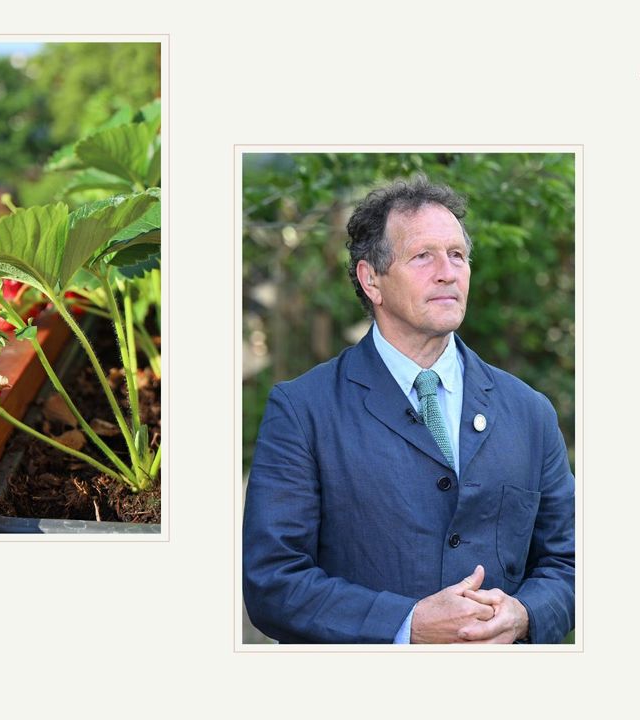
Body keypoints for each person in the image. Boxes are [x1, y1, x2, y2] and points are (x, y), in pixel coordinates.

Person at [242, 176, 574, 644]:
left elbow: (573, 561)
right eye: (423, 256)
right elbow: (272, 582)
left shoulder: (530, 413)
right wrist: (407, 623)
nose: (448, 272)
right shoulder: (304, 411)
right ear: (371, 279)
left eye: (457, 255)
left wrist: (524, 613)